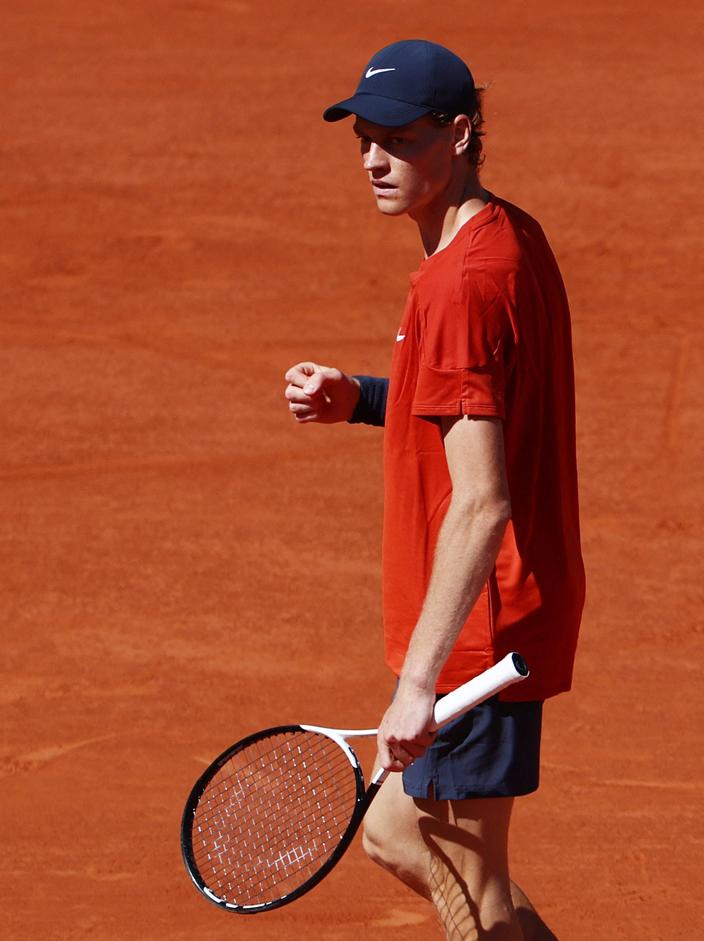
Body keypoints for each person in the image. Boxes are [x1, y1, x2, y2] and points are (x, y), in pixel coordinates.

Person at [284, 39, 585, 941]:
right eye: (364, 138)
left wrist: (420, 682)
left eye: (400, 139)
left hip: (480, 632)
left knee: (447, 869)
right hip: (500, 614)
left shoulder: (463, 281)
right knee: (431, 852)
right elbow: (487, 404)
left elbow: (482, 500)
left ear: (458, 134)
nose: (375, 159)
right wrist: (367, 400)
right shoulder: (505, 235)